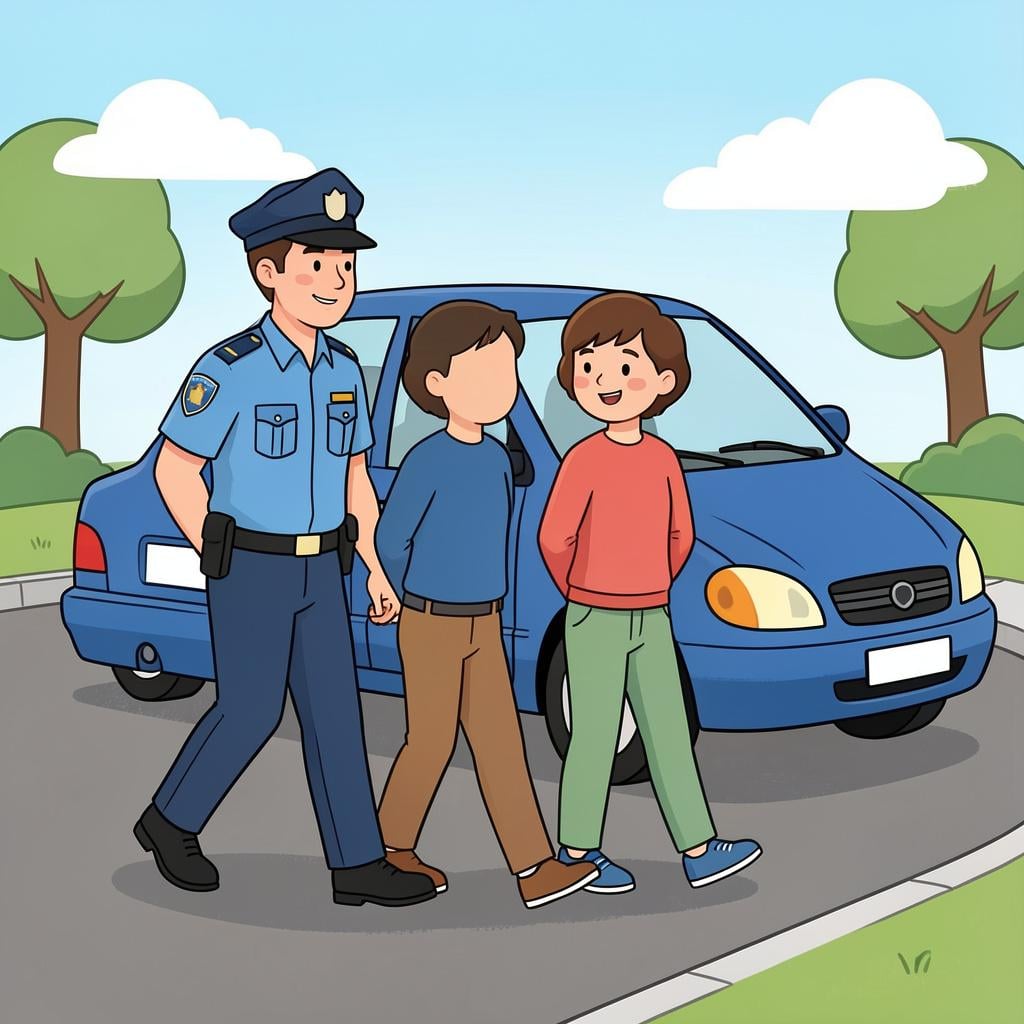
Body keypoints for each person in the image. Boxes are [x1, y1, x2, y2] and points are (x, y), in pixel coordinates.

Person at [134, 168, 436, 909]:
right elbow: (176, 467)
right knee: (251, 711)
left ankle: (356, 863)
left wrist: (375, 568)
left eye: (346, 266)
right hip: (252, 569)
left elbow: (355, 478)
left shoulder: (344, 370)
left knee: (336, 713)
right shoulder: (229, 369)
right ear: (268, 274)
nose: (337, 282)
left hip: (324, 569)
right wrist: (213, 550)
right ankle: (170, 819)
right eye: (317, 264)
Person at [374, 300, 599, 908]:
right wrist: (409, 593)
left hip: (486, 623)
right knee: (431, 741)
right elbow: (391, 539)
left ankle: (534, 868)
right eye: (484, 372)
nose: (503, 384)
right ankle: (391, 847)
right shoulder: (427, 460)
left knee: (501, 746)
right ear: (437, 384)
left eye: (508, 371)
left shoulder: (498, 459)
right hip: (431, 623)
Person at [538, 291, 762, 891]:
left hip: (652, 614)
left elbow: (680, 533)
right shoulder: (583, 459)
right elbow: (554, 537)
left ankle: (699, 848)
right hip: (594, 616)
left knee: (667, 730)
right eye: (589, 367)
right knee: (595, 734)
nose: (605, 381)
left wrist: (652, 581)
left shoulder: (662, 457)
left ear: (663, 381)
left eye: (624, 365)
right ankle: (578, 851)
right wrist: (584, 590)